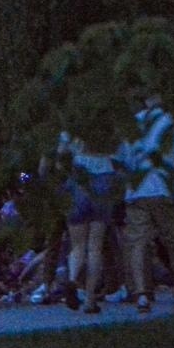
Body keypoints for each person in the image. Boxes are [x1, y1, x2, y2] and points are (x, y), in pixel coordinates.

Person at [121, 96, 174, 312]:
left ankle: (142, 293)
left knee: (138, 242)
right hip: (166, 189)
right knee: (173, 240)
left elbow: (122, 160)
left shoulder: (132, 125)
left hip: (136, 191)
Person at [56, 132, 117, 313]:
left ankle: (73, 279)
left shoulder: (72, 123)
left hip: (79, 178)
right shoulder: (107, 124)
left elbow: (60, 157)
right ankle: (90, 299)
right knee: (95, 246)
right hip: (104, 178)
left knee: (77, 245)